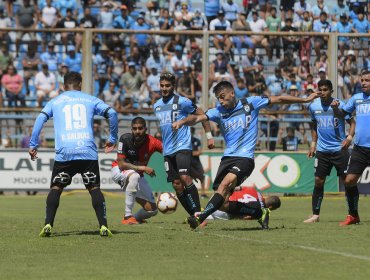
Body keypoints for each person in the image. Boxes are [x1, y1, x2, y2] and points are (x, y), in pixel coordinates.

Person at [172, 80, 319, 230]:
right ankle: (259, 212)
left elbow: (279, 98)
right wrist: (183, 121)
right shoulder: (218, 112)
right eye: (218, 98)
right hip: (227, 158)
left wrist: (305, 99)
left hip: (245, 158)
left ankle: (199, 217)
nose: (221, 101)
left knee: (225, 184)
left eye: (223, 96)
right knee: (223, 204)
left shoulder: (251, 103)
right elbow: (197, 118)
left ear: (232, 93)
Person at [28, 71, 118, 237]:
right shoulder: (90, 99)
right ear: (80, 85)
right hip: (87, 151)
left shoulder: (55, 101)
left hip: (65, 153)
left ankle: (48, 224)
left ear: (63, 86)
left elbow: (40, 119)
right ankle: (103, 226)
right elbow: (112, 113)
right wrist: (112, 138)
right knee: (94, 188)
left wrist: (33, 144)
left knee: (56, 188)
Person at [153, 71, 215, 217]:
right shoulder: (156, 105)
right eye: (162, 85)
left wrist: (209, 136)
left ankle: (199, 215)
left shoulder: (183, 102)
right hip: (167, 150)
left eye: (167, 85)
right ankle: (194, 215)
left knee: (185, 177)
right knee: (176, 184)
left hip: (182, 146)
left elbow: (202, 115)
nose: (164, 88)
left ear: (173, 86)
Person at [304, 79, 355, 223]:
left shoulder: (340, 105)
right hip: (322, 151)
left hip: (340, 150)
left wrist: (349, 138)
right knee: (318, 181)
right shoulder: (313, 106)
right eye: (320, 90)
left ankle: (353, 214)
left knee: (347, 181)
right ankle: (315, 215)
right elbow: (314, 126)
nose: (322, 93)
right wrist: (313, 144)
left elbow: (352, 123)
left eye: (325, 90)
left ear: (332, 91)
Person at [330, 70, 370, 226]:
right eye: (362, 80)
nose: (364, 82)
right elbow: (343, 114)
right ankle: (353, 215)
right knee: (350, 180)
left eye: (367, 80)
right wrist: (335, 108)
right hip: (360, 148)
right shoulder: (357, 99)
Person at [111, 117, 162, 224]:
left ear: (146, 129)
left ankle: (135, 218)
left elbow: (168, 153)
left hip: (138, 175)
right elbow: (121, 164)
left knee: (152, 210)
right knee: (134, 176)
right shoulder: (124, 139)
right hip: (118, 170)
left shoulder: (153, 142)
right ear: (131, 129)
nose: (137, 131)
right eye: (134, 129)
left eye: (140, 128)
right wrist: (143, 168)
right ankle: (127, 216)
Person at [207, 187, 281, 222]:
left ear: (268, 197)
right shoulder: (260, 211)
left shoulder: (254, 190)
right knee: (232, 216)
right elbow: (246, 217)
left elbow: (237, 188)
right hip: (223, 211)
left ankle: (204, 212)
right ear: (271, 207)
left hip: (217, 198)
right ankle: (204, 215)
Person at [190, 127, 208, 199]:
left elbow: (200, 152)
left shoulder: (197, 140)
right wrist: (193, 153)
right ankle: (190, 194)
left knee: (202, 177)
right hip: (188, 162)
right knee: (188, 178)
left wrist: (191, 153)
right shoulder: (185, 141)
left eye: (191, 132)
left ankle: (203, 194)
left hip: (196, 162)